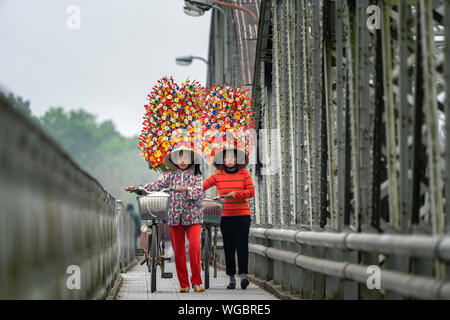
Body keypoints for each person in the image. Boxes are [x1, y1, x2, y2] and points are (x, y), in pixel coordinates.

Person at [124, 145, 205, 293]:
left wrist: (186, 189)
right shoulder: (170, 176)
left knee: (194, 247)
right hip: (174, 217)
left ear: (191, 159)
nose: (182, 161)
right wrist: (139, 188)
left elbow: (199, 192)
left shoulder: (196, 175)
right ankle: (184, 284)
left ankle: (197, 282)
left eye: (185, 158)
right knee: (178, 251)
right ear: (174, 160)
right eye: (179, 158)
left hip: (193, 216)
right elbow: (154, 186)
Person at [203, 148, 255, 290]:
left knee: (242, 246)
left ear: (237, 160)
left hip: (243, 216)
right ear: (223, 160)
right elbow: (202, 186)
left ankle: (243, 276)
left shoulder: (244, 173)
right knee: (229, 247)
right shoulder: (217, 175)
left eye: (233, 157)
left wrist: (236, 194)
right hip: (226, 217)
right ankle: (231, 278)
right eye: (227, 157)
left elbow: (251, 191)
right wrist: (189, 191)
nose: (230, 159)